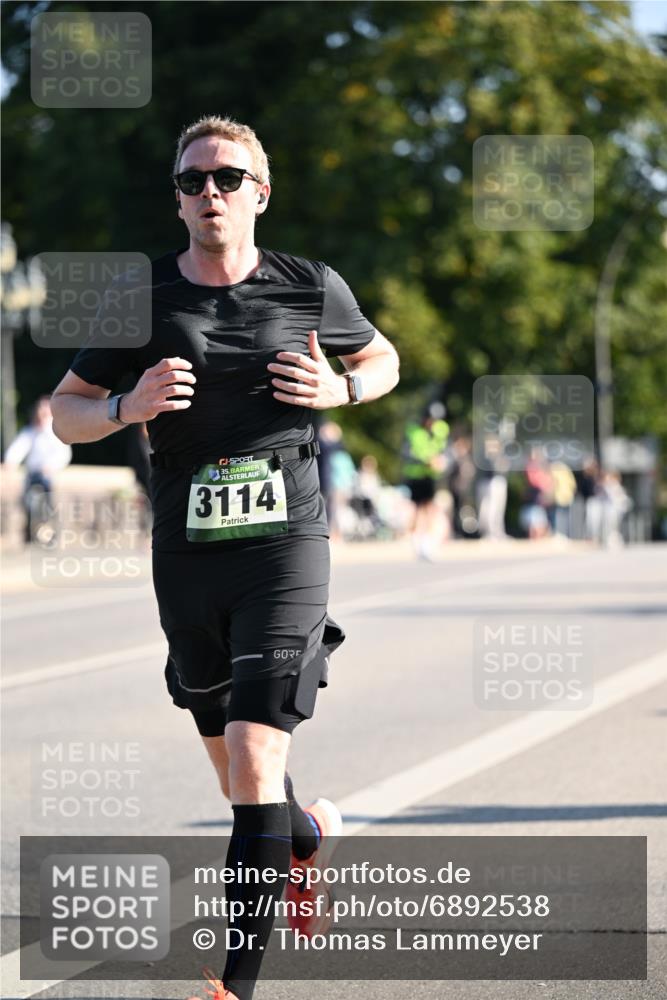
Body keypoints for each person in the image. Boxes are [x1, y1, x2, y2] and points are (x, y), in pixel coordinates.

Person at [50, 115, 399, 1000]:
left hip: (283, 545)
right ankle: (306, 838)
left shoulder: (309, 284)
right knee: (235, 768)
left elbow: (384, 358)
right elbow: (66, 410)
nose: (212, 192)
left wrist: (343, 386)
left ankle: (232, 988)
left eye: (228, 178)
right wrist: (128, 404)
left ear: (260, 192)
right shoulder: (143, 298)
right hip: (188, 549)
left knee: (252, 754)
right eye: (195, 179)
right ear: (177, 197)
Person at [3, 394, 72, 543]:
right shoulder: (31, 432)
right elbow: (18, 448)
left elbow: (63, 454)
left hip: (48, 475)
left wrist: (52, 466)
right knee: (27, 501)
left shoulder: (57, 432)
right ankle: (29, 532)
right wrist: (10, 462)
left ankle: (50, 533)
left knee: (48, 503)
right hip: (32, 474)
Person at [401, 402, 449, 559]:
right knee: (416, 509)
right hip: (416, 475)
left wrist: (443, 460)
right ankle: (416, 540)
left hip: (431, 476)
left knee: (430, 508)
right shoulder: (413, 431)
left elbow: (446, 450)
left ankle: (428, 542)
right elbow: (406, 454)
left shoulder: (441, 430)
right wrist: (426, 461)